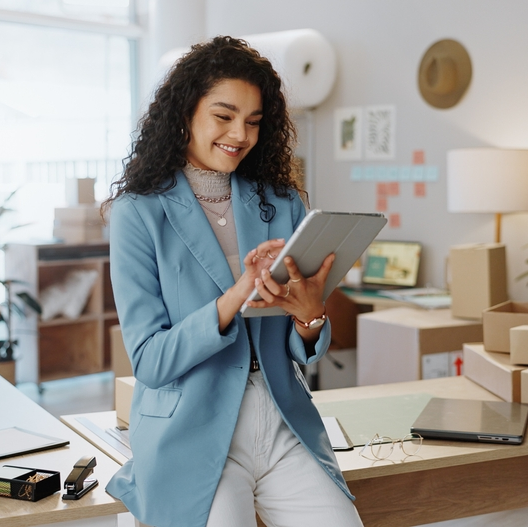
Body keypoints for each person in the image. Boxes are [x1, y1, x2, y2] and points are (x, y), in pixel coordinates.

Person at [102, 36, 364, 527]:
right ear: (185, 113)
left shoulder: (281, 202)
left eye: (253, 121)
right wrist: (237, 294)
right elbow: (151, 362)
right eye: (224, 116)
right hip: (192, 430)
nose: (240, 134)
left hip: (281, 419)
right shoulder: (137, 213)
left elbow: (301, 341)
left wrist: (310, 316)